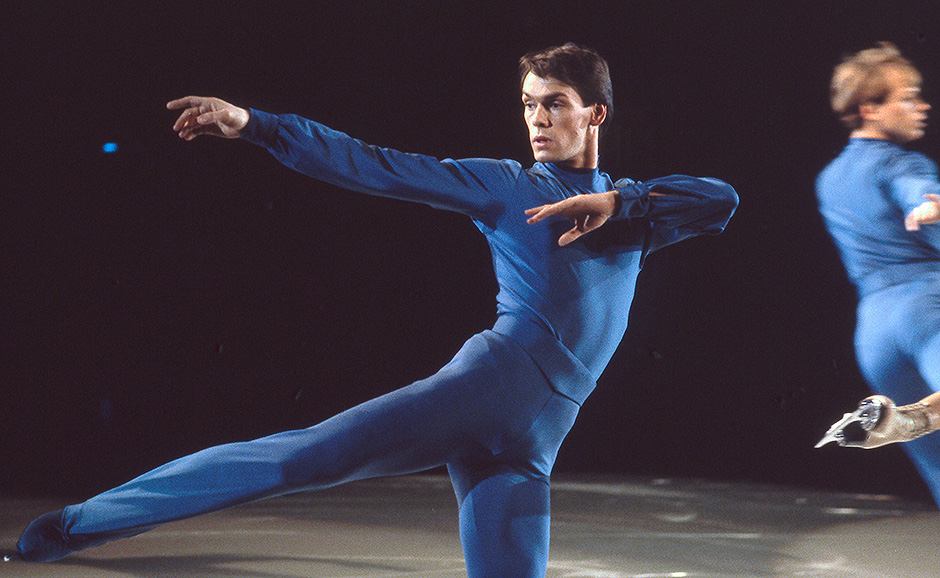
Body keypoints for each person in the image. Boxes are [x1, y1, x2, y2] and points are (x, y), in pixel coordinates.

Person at [15, 43, 737, 576]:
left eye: (554, 103)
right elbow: (375, 163)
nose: (537, 119)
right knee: (304, 457)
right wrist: (260, 126)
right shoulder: (507, 185)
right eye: (528, 104)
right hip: (488, 387)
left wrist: (619, 201)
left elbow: (722, 201)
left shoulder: (641, 215)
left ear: (596, 112)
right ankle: (75, 525)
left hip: (534, 441)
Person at [815, 42, 940, 503]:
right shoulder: (902, 163)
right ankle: (912, 419)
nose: (922, 106)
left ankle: (902, 421)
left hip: (875, 333)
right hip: (928, 310)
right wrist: (928, 205)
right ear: (870, 109)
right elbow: (915, 189)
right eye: (908, 97)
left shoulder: (830, 178)